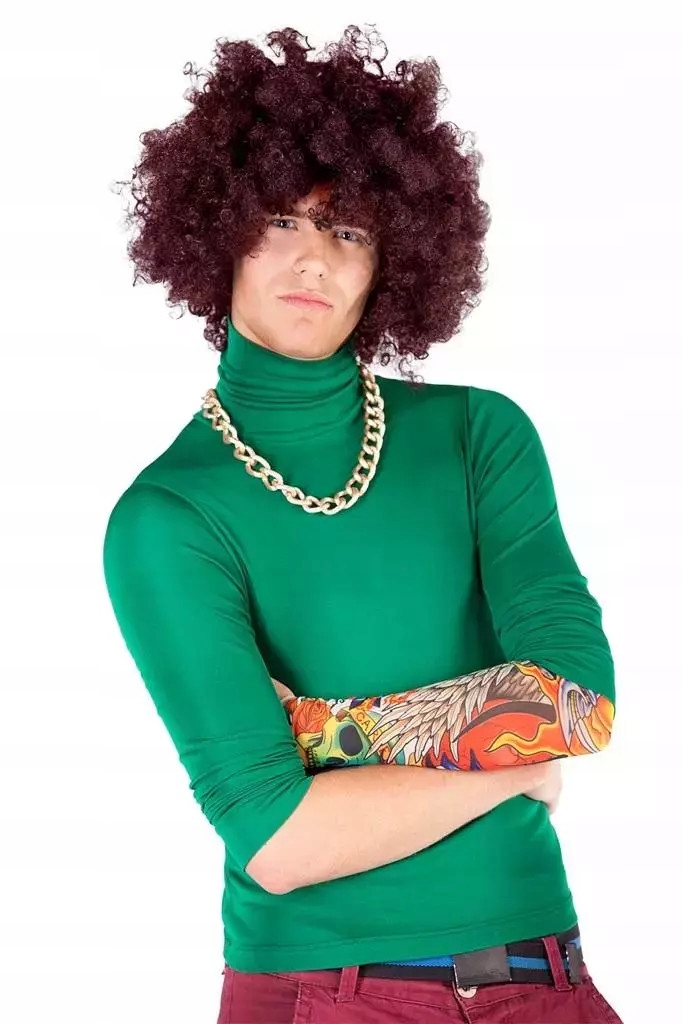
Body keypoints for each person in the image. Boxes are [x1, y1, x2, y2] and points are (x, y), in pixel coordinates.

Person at [102, 24, 624, 1023]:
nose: (313, 258)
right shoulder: (168, 517)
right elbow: (280, 841)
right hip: (326, 991)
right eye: (280, 221)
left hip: (545, 979)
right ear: (216, 233)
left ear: (393, 256)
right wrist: (506, 766)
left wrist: (321, 731)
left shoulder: (478, 436)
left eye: (348, 231)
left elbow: (576, 704)